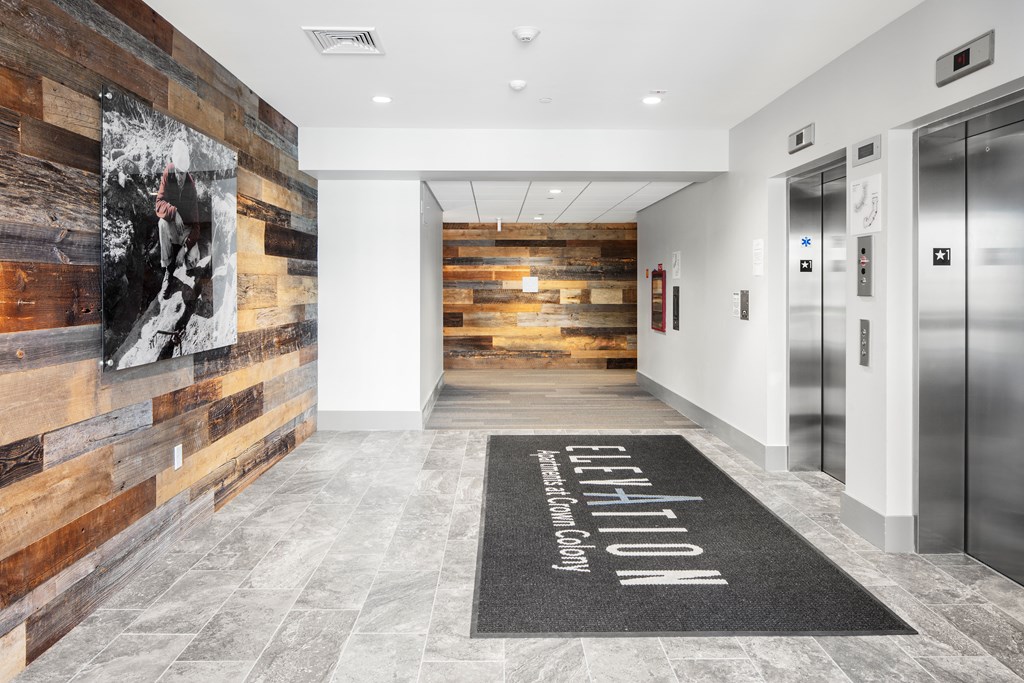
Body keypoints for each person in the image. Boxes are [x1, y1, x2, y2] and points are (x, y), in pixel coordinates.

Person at [155, 138, 201, 295]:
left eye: (183, 173)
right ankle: (168, 269)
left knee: (193, 259)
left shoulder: (191, 187)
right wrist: (174, 213)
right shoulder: (168, 172)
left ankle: (182, 259)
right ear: (174, 167)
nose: (180, 177)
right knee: (162, 223)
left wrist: (185, 249)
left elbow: (196, 227)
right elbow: (159, 203)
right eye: (178, 172)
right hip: (173, 226)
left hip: (185, 230)